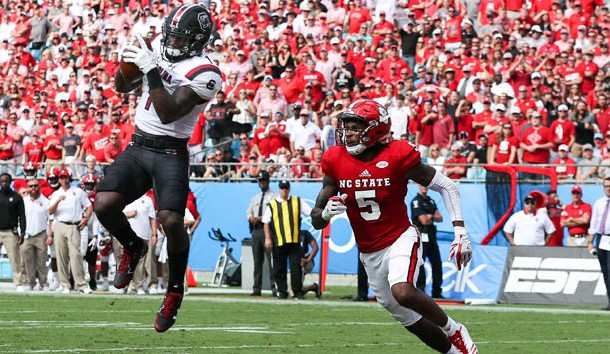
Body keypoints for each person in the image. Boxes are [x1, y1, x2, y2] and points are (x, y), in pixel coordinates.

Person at [310, 100, 477, 354]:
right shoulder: (335, 158)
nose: (348, 133)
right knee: (407, 318)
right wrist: (326, 213)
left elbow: (447, 186)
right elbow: (315, 218)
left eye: (356, 127)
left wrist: (460, 230)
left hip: (400, 237)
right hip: (369, 252)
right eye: (348, 126)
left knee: (403, 291)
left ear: (375, 130)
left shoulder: (397, 155)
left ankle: (454, 329)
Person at [93, 4, 220, 332]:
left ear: (198, 40)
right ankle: (133, 246)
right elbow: (121, 86)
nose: (172, 43)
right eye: (171, 36)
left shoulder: (206, 72)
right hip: (138, 146)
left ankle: (174, 290)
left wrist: (150, 68)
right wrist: (127, 62)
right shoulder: (159, 51)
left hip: (170, 152)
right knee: (104, 204)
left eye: (180, 38)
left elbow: (167, 112)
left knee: (171, 220)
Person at [263, 180, 312, 300]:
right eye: (282, 188)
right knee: (279, 268)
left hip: (294, 241)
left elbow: (310, 212)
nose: (284, 190)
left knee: (296, 267)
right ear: (279, 189)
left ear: (289, 189)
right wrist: (268, 238)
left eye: (286, 188)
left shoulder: (297, 201)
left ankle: (297, 291)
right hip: (279, 240)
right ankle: (282, 291)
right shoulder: (273, 204)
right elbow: (266, 222)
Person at [47, 169, 93, 294]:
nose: (64, 180)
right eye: (61, 178)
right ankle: (65, 284)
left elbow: (89, 206)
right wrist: (57, 201)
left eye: (65, 177)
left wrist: (85, 218)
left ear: (69, 178)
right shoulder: (56, 194)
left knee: (76, 255)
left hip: (74, 225)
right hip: (60, 224)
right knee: (61, 256)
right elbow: (50, 211)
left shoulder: (78, 192)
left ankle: (81, 284)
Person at [246, 170, 277, 296]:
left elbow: (274, 213)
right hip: (256, 231)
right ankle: (256, 288)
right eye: (260, 181)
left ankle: (275, 288)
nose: (262, 183)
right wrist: (250, 218)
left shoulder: (274, 197)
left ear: (268, 181)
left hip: (268, 230)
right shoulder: (255, 198)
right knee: (257, 262)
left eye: (264, 180)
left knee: (271, 261)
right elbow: (248, 212)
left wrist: (261, 218)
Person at [411, 185, 444, 299]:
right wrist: (431, 216)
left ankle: (437, 292)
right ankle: (421, 291)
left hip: (431, 235)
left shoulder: (430, 200)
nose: (424, 187)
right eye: (422, 185)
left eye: (426, 185)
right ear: (418, 186)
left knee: (437, 264)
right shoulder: (416, 201)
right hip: (421, 235)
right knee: (420, 263)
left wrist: (430, 216)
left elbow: (440, 218)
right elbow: (424, 221)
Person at [123, 193, 157, 295]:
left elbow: (152, 217)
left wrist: (154, 234)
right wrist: (129, 214)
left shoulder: (147, 200)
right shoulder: (127, 198)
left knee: (148, 261)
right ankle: (133, 285)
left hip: (145, 234)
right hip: (129, 234)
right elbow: (118, 215)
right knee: (131, 261)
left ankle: (149, 284)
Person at [22, 177, 51, 291]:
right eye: (31, 186)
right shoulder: (24, 201)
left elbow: (50, 219)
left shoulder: (45, 201)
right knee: (28, 261)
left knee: (42, 261)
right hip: (27, 235)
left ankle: (43, 283)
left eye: (35, 186)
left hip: (41, 234)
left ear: (39, 187)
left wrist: (49, 235)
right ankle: (30, 282)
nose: (33, 188)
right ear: (27, 188)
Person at [0, 173, 27, 291]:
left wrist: (23, 232)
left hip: (10, 232)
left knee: (15, 259)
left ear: (10, 182)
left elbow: (22, 216)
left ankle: (19, 283)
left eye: (7, 181)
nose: (4, 183)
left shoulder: (16, 197)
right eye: (2, 181)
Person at [587, 177, 610, 310]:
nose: (608, 188)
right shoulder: (599, 203)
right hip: (602, 239)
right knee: (605, 271)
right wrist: (590, 241)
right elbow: (594, 223)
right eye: (606, 186)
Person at [299, 230, 322, 298]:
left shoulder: (304, 233)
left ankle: (299, 290)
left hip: (305, 260)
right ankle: (314, 287)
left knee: (295, 291)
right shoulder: (287, 234)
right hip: (295, 262)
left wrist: (308, 260)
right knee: (292, 290)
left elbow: (315, 247)